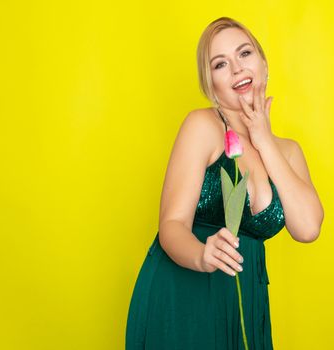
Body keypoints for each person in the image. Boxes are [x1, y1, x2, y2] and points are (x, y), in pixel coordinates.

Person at [125, 16, 324, 350]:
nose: (236, 68)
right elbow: (171, 225)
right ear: (210, 83)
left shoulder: (289, 152)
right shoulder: (202, 126)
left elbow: (307, 228)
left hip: (245, 301)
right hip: (186, 300)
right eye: (220, 64)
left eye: (244, 54)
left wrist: (262, 137)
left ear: (263, 63)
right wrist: (203, 256)